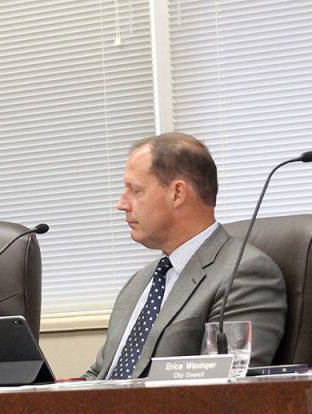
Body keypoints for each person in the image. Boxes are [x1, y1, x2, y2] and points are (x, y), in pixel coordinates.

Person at [85, 133, 286, 379]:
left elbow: (223, 386)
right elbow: (98, 374)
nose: (121, 204)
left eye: (135, 190)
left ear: (177, 193)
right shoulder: (138, 283)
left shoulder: (245, 274)